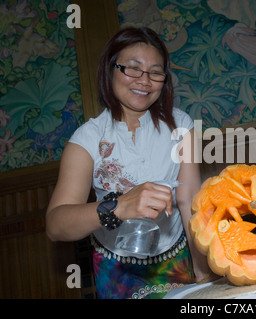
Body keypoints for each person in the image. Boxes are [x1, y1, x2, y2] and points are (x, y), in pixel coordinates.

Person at [46, 27, 210, 299]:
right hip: (116, 271)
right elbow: (55, 225)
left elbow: (189, 200)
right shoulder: (86, 140)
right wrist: (119, 206)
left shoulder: (181, 124)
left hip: (175, 260)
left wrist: (202, 269)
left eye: (155, 72)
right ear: (110, 70)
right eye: (132, 69)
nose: (145, 81)